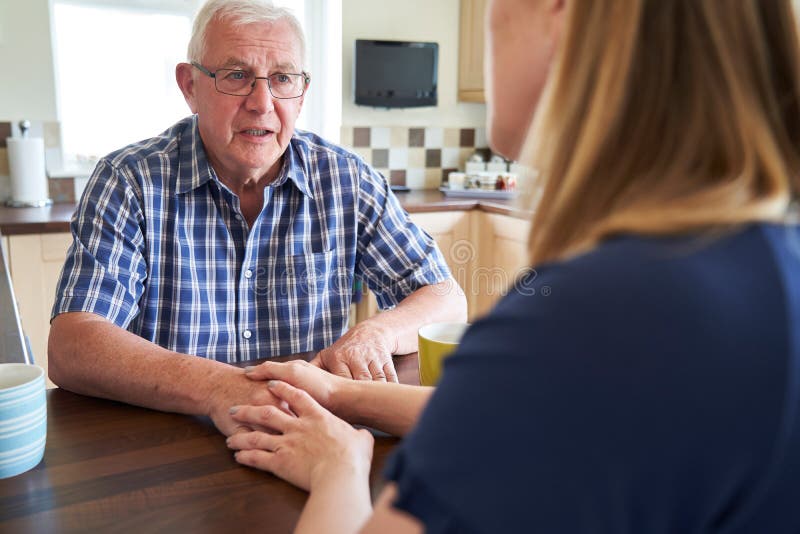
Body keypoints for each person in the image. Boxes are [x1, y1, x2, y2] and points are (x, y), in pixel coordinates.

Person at [224, 0, 800, 532]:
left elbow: (513, 390)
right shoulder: (766, 262)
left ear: (559, 14)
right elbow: (524, 410)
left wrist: (339, 466)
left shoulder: (590, 315)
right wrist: (340, 396)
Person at [47, 0, 466, 437]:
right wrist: (220, 388)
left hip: (313, 438)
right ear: (189, 86)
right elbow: (73, 344)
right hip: (169, 447)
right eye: (236, 76)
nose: (262, 103)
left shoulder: (347, 179)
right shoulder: (129, 180)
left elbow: (444, 296)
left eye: (282, 78)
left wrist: (376, 333)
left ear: (301, 93)